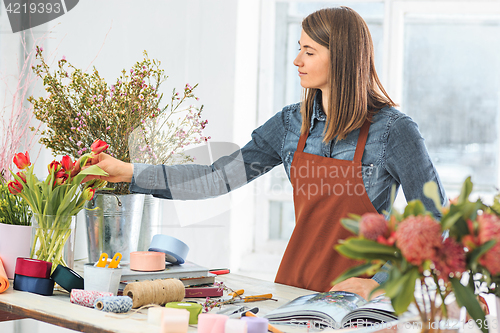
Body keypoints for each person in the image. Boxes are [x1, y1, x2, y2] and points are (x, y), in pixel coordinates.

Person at [74, 6, 446, 299]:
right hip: (293, 291)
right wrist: (129, 172)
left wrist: (379, 283)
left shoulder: (394, 131)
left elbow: (437, 222)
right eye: (299, 48)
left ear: (342, 58)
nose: (297, 60)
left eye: (309, 51)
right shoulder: (291, 124)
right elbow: (218, 177)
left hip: (357, 303)